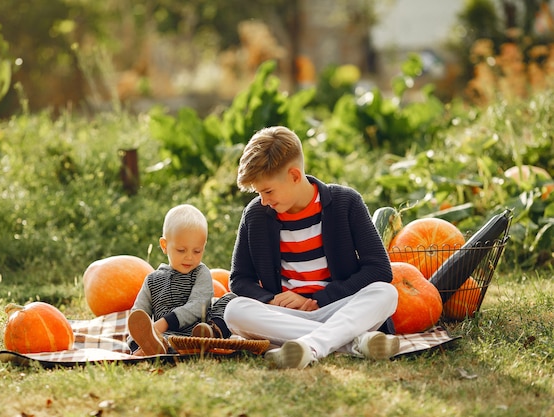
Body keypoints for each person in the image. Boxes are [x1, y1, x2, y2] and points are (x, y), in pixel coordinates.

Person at [223, 126, 400, 369]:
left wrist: (319, 300)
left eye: (268, 191)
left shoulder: (346, 202)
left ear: (295, 175)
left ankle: (312, 346)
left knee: (385, 293)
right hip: (286, 316)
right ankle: (355, 343)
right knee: (234, 310)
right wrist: (271, 300)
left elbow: (379, 269)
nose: (263, 200)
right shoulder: (256, 214)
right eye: (258, 192)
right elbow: (240, 279)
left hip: (339, 308)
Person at [127, 204, 234, 356]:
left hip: (199, 333)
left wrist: (165, 322)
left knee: (232, 300)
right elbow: (138, 314)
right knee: (141, 322)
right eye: (181, 250)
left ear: (203, 247)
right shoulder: (152, 280)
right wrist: (136, 341)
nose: (189, 257)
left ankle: (210, 336)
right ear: (164, 246)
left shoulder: (200, 272)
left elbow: (198, 305)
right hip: (166, 338)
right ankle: (150, 348)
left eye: (197, 251)